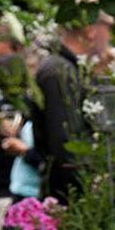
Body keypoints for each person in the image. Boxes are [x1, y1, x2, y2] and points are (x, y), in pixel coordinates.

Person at [30, 21, 97, 204]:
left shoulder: (68, 68)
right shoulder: (59, 71)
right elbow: (63, 142)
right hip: (67, 194)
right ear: (90, 30)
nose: (110, 36)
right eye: (109, 28)